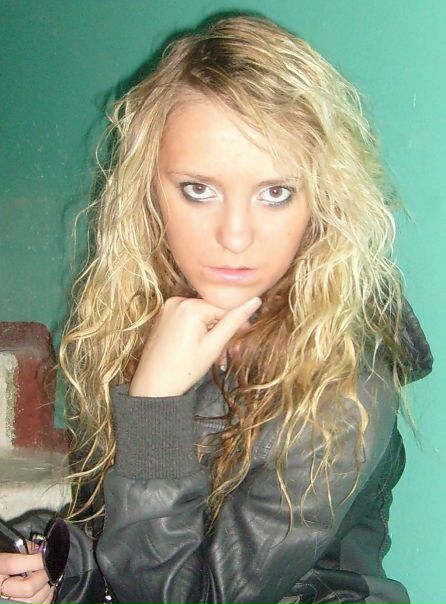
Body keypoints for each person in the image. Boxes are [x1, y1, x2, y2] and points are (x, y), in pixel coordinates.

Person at [0, 14, 433, 604]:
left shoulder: (346, 382)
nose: (234, 236)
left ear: (320, 201)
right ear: (150, 192)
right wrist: (57, 566)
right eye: (198, 189)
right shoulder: (151, 319)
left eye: (275, 192)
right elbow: (126, 536)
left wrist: (155, 409)